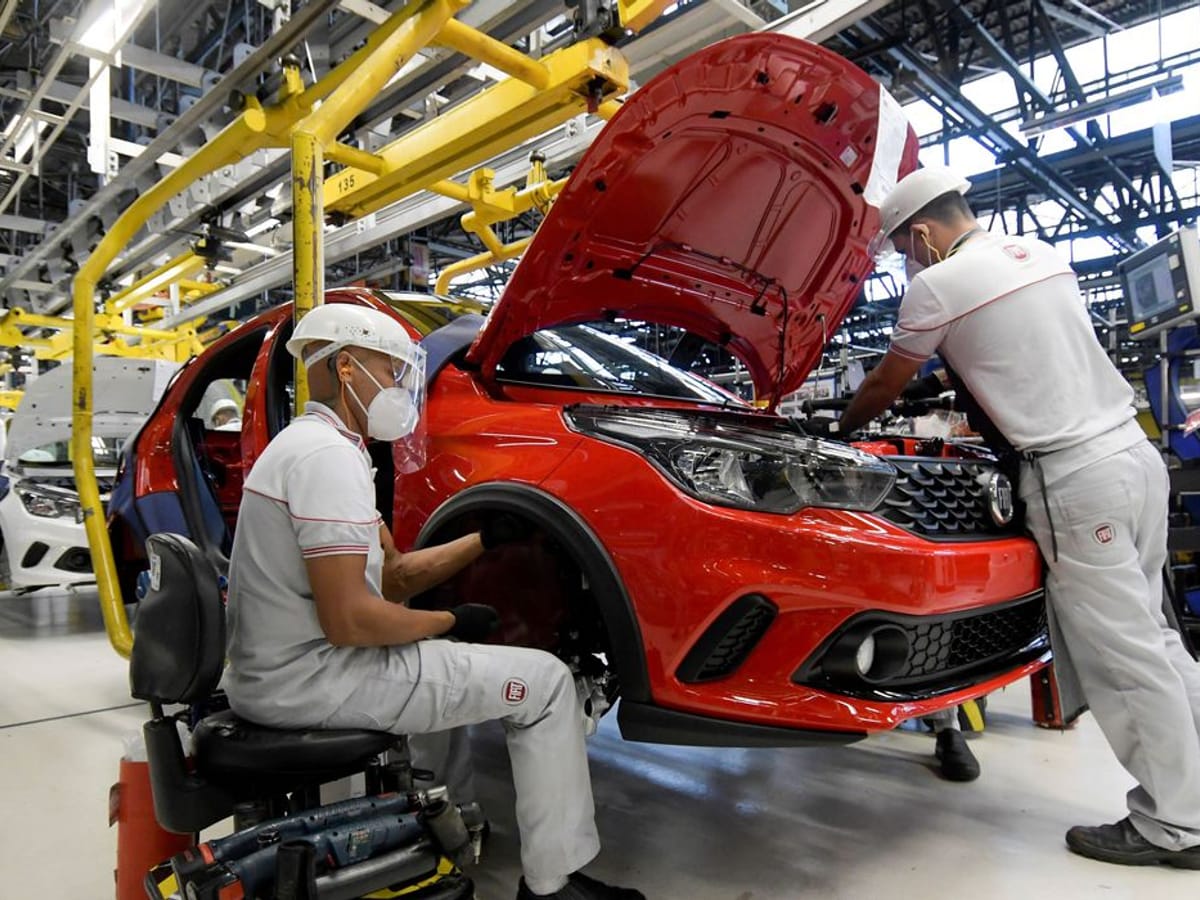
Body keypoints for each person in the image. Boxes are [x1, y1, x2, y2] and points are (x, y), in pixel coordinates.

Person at [831, 166, 1200, 869]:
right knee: (1155, 639)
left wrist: (844, 423)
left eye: (906, 251)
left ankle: (1174, 824)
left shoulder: (935, 284)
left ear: (922, 235)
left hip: (1074, 477)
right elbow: (1002, 349)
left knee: (1121, 658)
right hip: (1133, 457)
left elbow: (884, 380)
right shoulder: (1037, 255)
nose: (908, 263)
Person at [223, 303, 645, 899]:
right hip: (314, 678)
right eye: (390, 370)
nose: (400, 388)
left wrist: (483, 539)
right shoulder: (325, 461)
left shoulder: (315, 447)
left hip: (282, 671)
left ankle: (441, 832)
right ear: (347, 367)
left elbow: (391, 577)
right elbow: (350, 619)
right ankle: (554, 883)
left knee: (447, 699)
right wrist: (450, 623)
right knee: (547, 684)